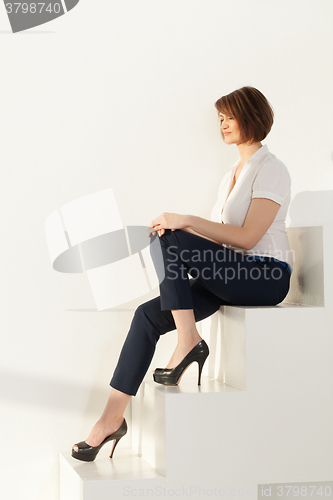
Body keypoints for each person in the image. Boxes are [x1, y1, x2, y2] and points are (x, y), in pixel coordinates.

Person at [71, 86, 292, 461]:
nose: (221, 123)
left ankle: (188, 340)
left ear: (251, 116)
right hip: (234, 274)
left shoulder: (272, 169)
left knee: (172, 231)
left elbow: (249, 237)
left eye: (229, 116)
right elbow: (221, 242)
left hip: (265, 276)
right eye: (219, 117)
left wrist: (186, 222)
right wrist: (183, 233)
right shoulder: (231, 177)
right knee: (145, 314)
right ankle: (111, 420)